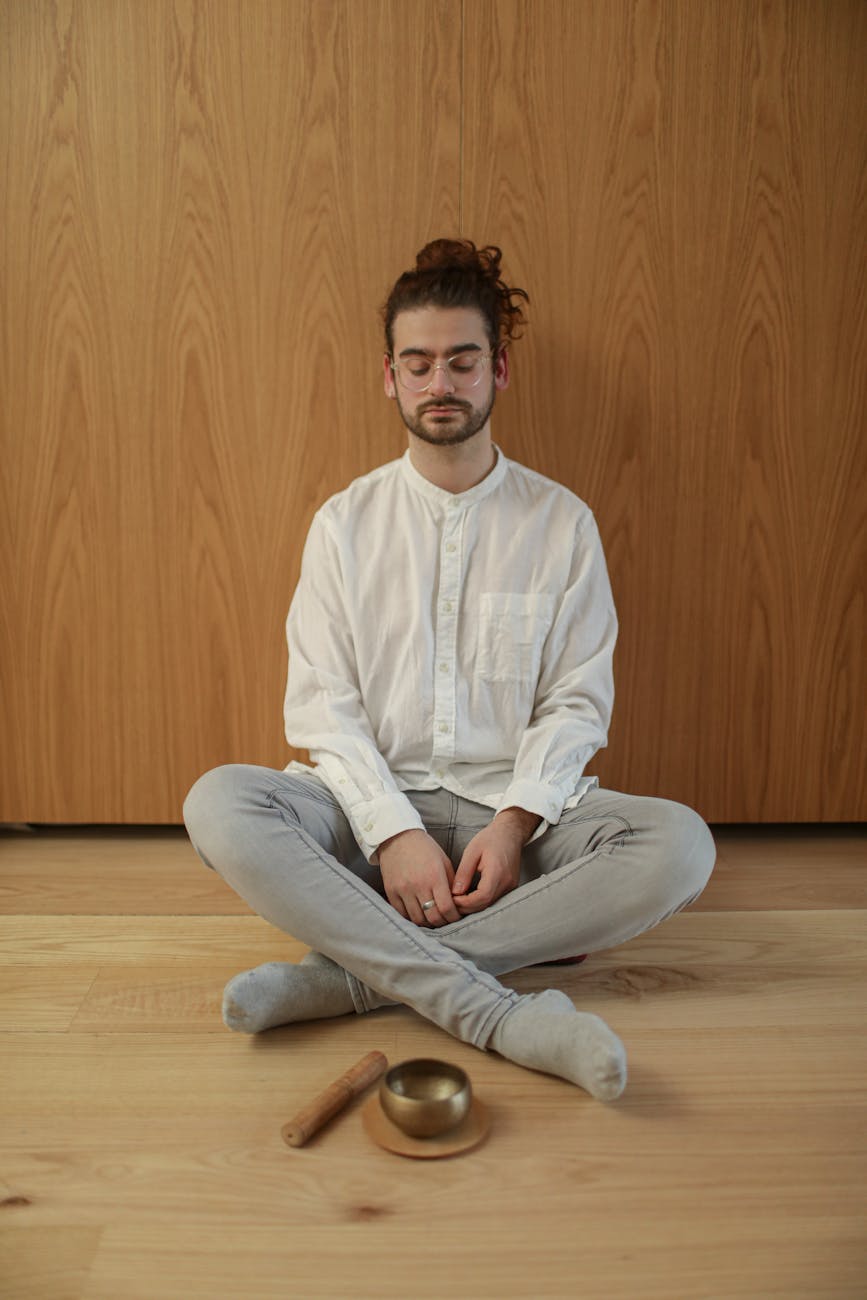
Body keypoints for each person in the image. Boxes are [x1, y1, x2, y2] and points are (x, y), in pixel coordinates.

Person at [183, 239, 715, 1102]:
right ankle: (500, 1015)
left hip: (518, 829)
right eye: (419, 363)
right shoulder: (344, 525)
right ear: (389, 376)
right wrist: (393, 835)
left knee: (679, 846)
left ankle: (349, 979)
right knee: (220, 802)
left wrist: (511, 828)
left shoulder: (560, 523)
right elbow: (323, 709)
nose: (441, 383)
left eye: (462, 361)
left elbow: (575, 701)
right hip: (365, 822)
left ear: (497, 371)